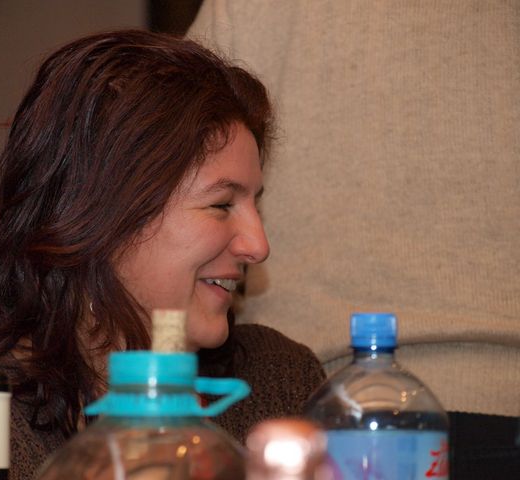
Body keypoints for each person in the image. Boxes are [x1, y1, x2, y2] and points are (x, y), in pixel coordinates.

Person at [0, 30, 325, 480]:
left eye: (255, 205)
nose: (258, 245)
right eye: (221, 205)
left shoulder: (277, 380)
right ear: (102, 217)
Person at [188, 1, 520, 477]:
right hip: (309, 410)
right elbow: (169, 123)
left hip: (309, 398)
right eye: (224, 204)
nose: (259, 247)